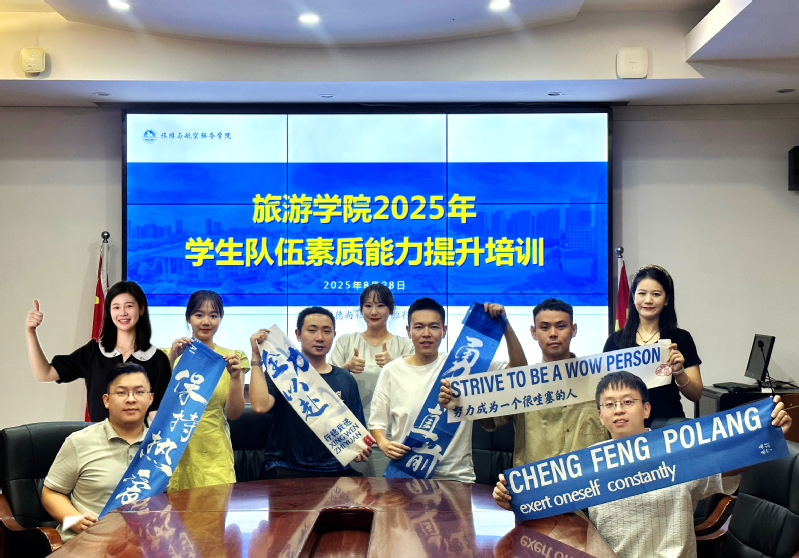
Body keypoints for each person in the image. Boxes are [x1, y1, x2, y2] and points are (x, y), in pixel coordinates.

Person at [492, 371, 793, 558]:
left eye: (628, 401)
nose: (619, 410)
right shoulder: (589, 461)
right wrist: (512, 497)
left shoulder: (677, 448)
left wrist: (767, 434)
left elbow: (727, 467)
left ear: (646, 409)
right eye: (609, 404)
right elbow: (547, 498)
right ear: (600, 416)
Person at [370, 298, 526, 482]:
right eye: (419, 327)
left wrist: (505, 325)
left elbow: (518, 370)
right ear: (408, 331)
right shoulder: (392, 371)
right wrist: (383, 443)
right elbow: (377, 422)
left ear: (444, 331)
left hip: (456, 477)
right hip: (407, 474)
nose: (426, 334)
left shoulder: (466, 365)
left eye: (434, 327)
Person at [470, 298, 608, 466]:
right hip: (535, 480)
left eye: (561, 326)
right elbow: (488, 418)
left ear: (573, 330)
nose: (553, 333)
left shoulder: (601, 381)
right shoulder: (523, 383)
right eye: (544, 327)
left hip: (591, 478)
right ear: (534, 332)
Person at [249, 307, 371, 478]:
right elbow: (260, 407)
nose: (319, 338)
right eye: (312, 330)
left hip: (335, 471)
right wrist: (256, 357)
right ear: (298, 334)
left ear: (334, 335)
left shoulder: (345, 379)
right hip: (286, 468)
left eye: (326, 331)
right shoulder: (282, 372)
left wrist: (358, 450)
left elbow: (358, 434)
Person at [26, 281, 171, 422]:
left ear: (141, 309)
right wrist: (31, 332)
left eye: (129, 306)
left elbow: (157, 413)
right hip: (98, 437)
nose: (123, 313)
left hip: (141, 438)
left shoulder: (158, 360)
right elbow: (45, 373)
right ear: (109, 311)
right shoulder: (94, 352)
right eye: (116, 307)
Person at [42, 363, 153, 540]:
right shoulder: (79, 442)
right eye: (121, 393)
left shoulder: (161, 446)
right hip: (88, 540)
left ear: (150, 398)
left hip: (143, 542)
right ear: (106, 400)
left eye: (139, 392)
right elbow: (50, 493)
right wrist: (74, 520)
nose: (131, 399)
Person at [164, 290, 248, 490]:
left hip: (214, 452)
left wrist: (235, 377)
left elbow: (234, 413)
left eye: (213, 315)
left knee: (215, 508)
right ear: (188, 317)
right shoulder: (168, 355)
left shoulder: (232, 358)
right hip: (173, 451)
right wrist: (170, 361)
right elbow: (156, 405)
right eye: (199, 315)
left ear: (220, 318)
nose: (206, 322)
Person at [330, 284, 414, 476]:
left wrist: (395, 365)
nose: (374, 312)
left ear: (390, 309)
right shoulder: (345, 342)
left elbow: (417, 386)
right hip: (351, 438)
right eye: (368, 306)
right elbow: (326, 387)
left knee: (391, 492)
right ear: (361, 310)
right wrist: (345, 369)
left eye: (380, 305)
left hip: (392, 439)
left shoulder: (406, 345)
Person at [603, 265, 701, 426]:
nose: (648, 300)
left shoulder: (680, 338)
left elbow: (696, 395)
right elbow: (604, 392)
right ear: (633, 297)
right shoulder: (615, 341)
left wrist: (679, 372)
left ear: (667, 300)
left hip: (668, 427)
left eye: (656, 294)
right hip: (626, 428)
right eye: (642, 293)